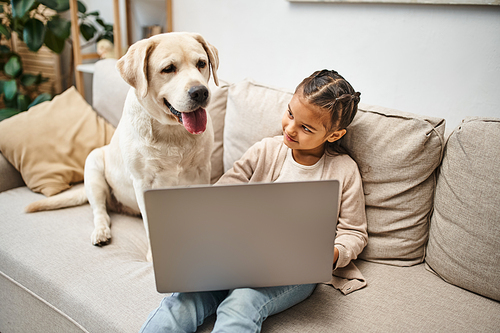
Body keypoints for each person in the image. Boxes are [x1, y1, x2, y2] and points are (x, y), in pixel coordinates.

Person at [139, 69, 368, 333]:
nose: (290, 129)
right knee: (183, 301)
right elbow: (223, 193)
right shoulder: (265, 150)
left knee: (241, 303)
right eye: (290, 114)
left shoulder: (344, 170)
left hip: (293, 271)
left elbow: (354, 232)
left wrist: (333, 254)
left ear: (334, 135)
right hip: (235, 256)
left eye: (306, 128)